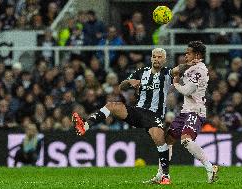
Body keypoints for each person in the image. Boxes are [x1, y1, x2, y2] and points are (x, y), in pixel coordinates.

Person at [73, 48, 185, 185]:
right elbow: (121, 86)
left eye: (160, 57)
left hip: (153, 114)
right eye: (154, 57)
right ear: (151, 58)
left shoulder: (166, 73)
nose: (156, 59)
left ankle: (165, 176)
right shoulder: (141, 72)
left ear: (164, 60)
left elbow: (177, 69)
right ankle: (84, 126)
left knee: (159, 138)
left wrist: (190, 63)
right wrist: (129, 83)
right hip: (138, 112)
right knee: (112, 106)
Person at [161, 41, 219, 183]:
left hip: (196, 111)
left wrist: (175, 83)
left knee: (186, 140)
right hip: (186, 111)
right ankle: (162, 175)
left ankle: (210, 168)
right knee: (167, 140)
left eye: (188, 53)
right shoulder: (190, 69)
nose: (185, 55)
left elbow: (187, 90)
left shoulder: (199, 70)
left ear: (197, 55)